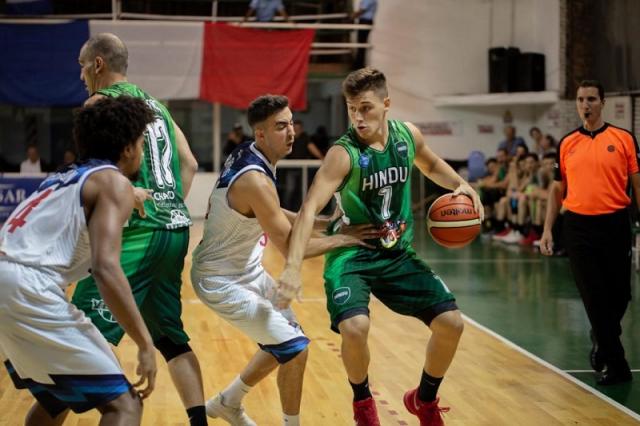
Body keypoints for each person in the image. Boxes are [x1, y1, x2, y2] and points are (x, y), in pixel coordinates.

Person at [278, 68, 483, 426]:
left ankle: (424, 399)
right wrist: (293, 267)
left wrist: (461, 185)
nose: (358, 117)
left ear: (386, 104)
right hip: (353, 253)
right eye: (351, 108)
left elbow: (430, 163)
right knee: (355, 328)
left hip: (397, 253)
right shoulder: (343, 154)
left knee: (451, 324)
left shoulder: (407, 136)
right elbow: (310, 207)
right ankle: (363, 404)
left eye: (366, 108)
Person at [191, 94, 375, 426]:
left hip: (246, 270)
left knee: (285, 339)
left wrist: (319, 222)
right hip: (220, 281)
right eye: (280, 126)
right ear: (260, 133)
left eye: (291, 123)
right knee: (295, 348)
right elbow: (293, 250)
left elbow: (273, 213)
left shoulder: (249, 154)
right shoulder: (256, 180)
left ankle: (228, 402)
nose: (291, 132)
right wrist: (346, 238)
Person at [71, 33, 207, 425]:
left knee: (78, 328)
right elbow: (190, 163)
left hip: (141, 233)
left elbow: (96, 177)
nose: (81, 77)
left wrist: (137, 205)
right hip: (176, 229)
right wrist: (168, 203)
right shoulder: (158, 107)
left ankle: (121, 409)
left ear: (98, 64)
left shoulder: (100, 104)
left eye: (82, 67)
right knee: (169, 337)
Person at [0, 96, 157, 425]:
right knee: (125, 406)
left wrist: (134, 194)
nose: (141, 151)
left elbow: (99, 196)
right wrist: (144, 343)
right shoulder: (113, 183)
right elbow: (105, 267)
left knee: (56, 397)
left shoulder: (65, 177)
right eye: (141, 143)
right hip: (29, 287)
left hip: (8, 280)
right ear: (128, 148)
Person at [540, 80, 639, 385]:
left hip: (616, 224)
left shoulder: (624, 138)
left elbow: (637, 184)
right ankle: (616, 363)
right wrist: (547, 229)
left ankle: (601, 334)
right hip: (578, 228)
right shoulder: (567, 142)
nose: (586, 104)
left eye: (592, 99)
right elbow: (557, 189)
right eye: (581, 99)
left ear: (603, 102)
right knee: (594, 297)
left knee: (620, 295)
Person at [352, 0, 378, 70]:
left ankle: (358, 65)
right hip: (366, 21)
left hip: (365, 21)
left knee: (361, 43)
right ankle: (359, 64)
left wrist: (352, 16)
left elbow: (362, 10)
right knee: (361, 43)